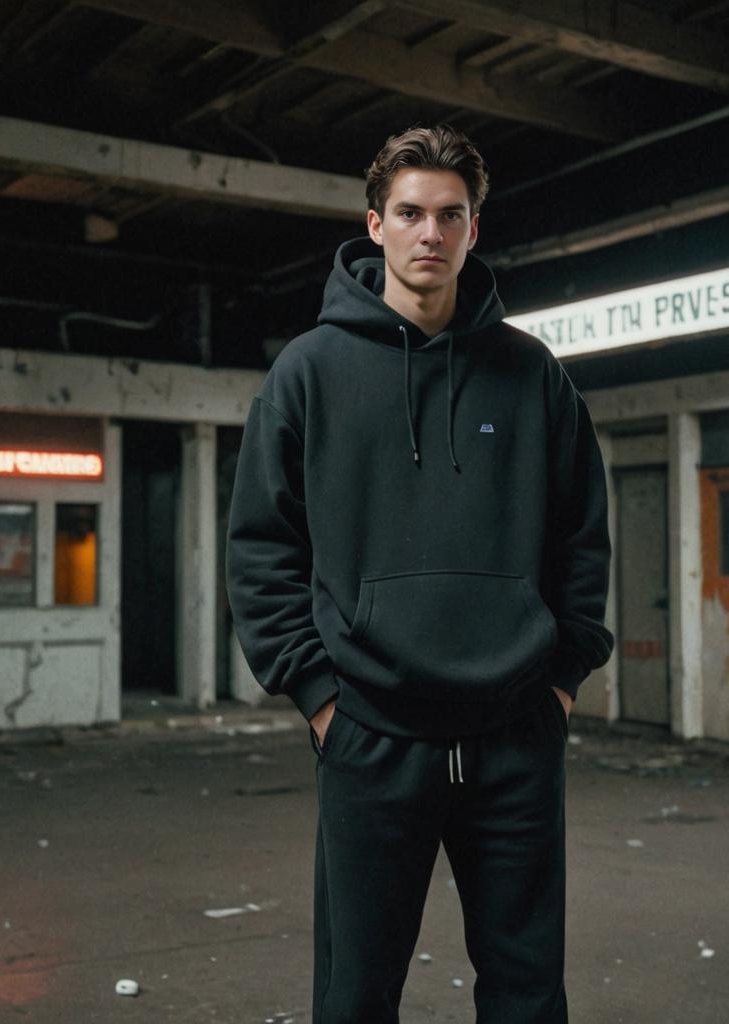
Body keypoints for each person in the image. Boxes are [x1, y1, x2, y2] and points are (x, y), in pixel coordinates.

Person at [226, 124, 613, 1024]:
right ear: (375, 225)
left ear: (475, 230)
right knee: (356, 995)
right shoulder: (308, 374)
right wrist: (320, 696)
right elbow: (260, 545)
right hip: (370, 733)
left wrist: (559, 683)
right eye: (410, 213)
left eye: (451, 214)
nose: (429, 232)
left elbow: (582, 537)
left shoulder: (532, 376)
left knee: (526, 992)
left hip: (515, 733)